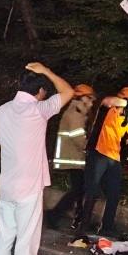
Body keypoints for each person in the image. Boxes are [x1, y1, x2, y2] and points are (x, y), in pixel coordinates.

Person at [0, 62, 74, 255]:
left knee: (5, 237)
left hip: (7, 186)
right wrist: (49, 72)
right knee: (26, 242)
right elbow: (68, 92)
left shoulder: (2, 111)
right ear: (41, 90)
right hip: (29, 188)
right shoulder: (39, 110)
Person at [76, 86, 128, 240]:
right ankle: (82, 226)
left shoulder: (126, 118)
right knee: (91, 192)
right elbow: (108, 100)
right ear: (127, 99)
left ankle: (107, 227)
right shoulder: (109, 107)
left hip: (114, 158)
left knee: (114, 193)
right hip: (98, 153)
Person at [45, 83, 96, 230]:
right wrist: (89, 147)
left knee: (80, 190)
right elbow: (77, 136)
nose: (92, 103)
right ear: (83, 98)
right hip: (73, 157)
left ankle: (79, 217)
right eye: (90, 99)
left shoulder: (78, 111)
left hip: (75, 156)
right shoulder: (76, 112)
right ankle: (54, 214)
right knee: (78, 190)